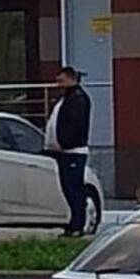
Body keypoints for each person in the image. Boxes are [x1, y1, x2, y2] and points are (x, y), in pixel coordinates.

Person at [45, 66, 92, 237]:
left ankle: (78, 224)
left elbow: (75, 125)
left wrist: (64, 141)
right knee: (68, 188)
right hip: (64, 151)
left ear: (71, 79)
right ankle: (74, 222)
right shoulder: (66, 98)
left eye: (61, 81)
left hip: (73, 151)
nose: (58, 84)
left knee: (74, 189)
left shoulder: (77, 99)